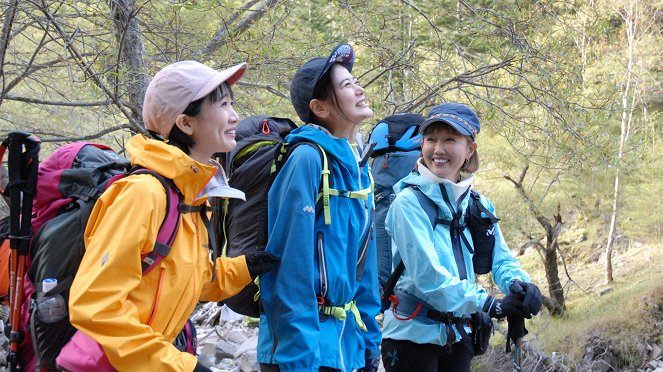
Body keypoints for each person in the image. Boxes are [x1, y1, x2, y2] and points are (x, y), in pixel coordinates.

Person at [68, 60, 279, 371]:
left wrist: (245, 267)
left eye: (231, 104)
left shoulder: (190, 195)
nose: (235, 116)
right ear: (186, 123)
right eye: (222, 105)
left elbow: (189, 278)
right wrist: (180, 366)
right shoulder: (144, 194)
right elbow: (94, 305)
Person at [380, 103, 543, 372]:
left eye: (450, 140)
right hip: (410, 337)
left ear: (470, 149)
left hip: (458, 336)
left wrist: (520, 287)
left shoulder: (478, 205)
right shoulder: (408, 203)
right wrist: (491, 304)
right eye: (431, 139)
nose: (438, 149)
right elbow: (428, 277)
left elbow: (500, 260)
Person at [257, 43, 382, 372]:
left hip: (346, 346)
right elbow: (287, 266)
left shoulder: (358, 168)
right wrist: (299, 359)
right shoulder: (307, 159)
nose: (359, 88)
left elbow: (363, 266)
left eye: (355, 80)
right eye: (346, 85)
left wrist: (370, 341)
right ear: (320, 107)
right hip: (301, 352)